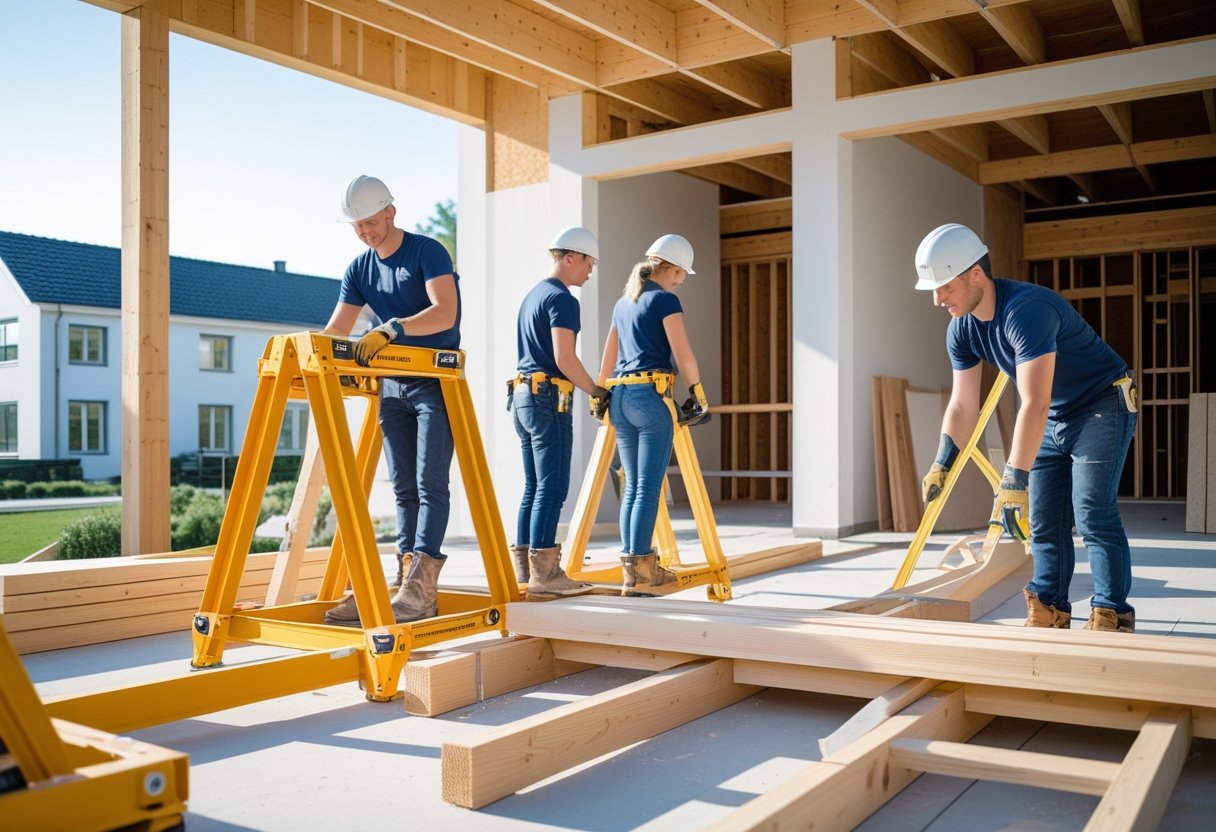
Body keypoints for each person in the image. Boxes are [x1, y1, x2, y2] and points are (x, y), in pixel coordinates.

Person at [915, 223, 1138, 632]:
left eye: (944, 286)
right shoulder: (961, 328)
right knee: (1044, 520)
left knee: (1092, 511)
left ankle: (1112, 612)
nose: (937, 298)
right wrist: (942, 462)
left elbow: (1032, 402)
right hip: (1056, 412)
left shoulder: (1027, 310)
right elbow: (964, 403)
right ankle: (1050, 608)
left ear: (975, 275)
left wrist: (1013, 478)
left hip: (1102, 402)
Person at [322, 175, 460, 626]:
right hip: (392, 387)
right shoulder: (359, 269)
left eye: (370, 221)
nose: (365, 231)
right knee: (402, 487)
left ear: (390, 212)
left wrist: (393, 327)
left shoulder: (428, 251)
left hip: (435, 383)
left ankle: (422, 588)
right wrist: (306, 350)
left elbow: (446, 311)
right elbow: (337, 330)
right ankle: (405, 583)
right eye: (357, 225)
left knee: (429, 483)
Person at [598, 234, 710, 597]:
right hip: (651, 397)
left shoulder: (623, 302)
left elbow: (608, 357)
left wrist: (599, 395)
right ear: (673, 268)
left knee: (632, 486)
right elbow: (684, 354)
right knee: (648, 488)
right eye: (682, 274)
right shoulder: (665, 300)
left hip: (620, 397)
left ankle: (632, 571)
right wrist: (698, 395)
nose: (682, 280)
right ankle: (644, 575)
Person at [508, 227, 611, 597]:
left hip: (522, 398)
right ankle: (546, 576)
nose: (590, 271)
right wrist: (597, 391)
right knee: (553, 487)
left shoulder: (533, 295)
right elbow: (564, 358)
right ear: (570, 258)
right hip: (548, 398)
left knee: (534, 486)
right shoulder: (564, 299)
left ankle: (525, 572)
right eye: (588, 262)